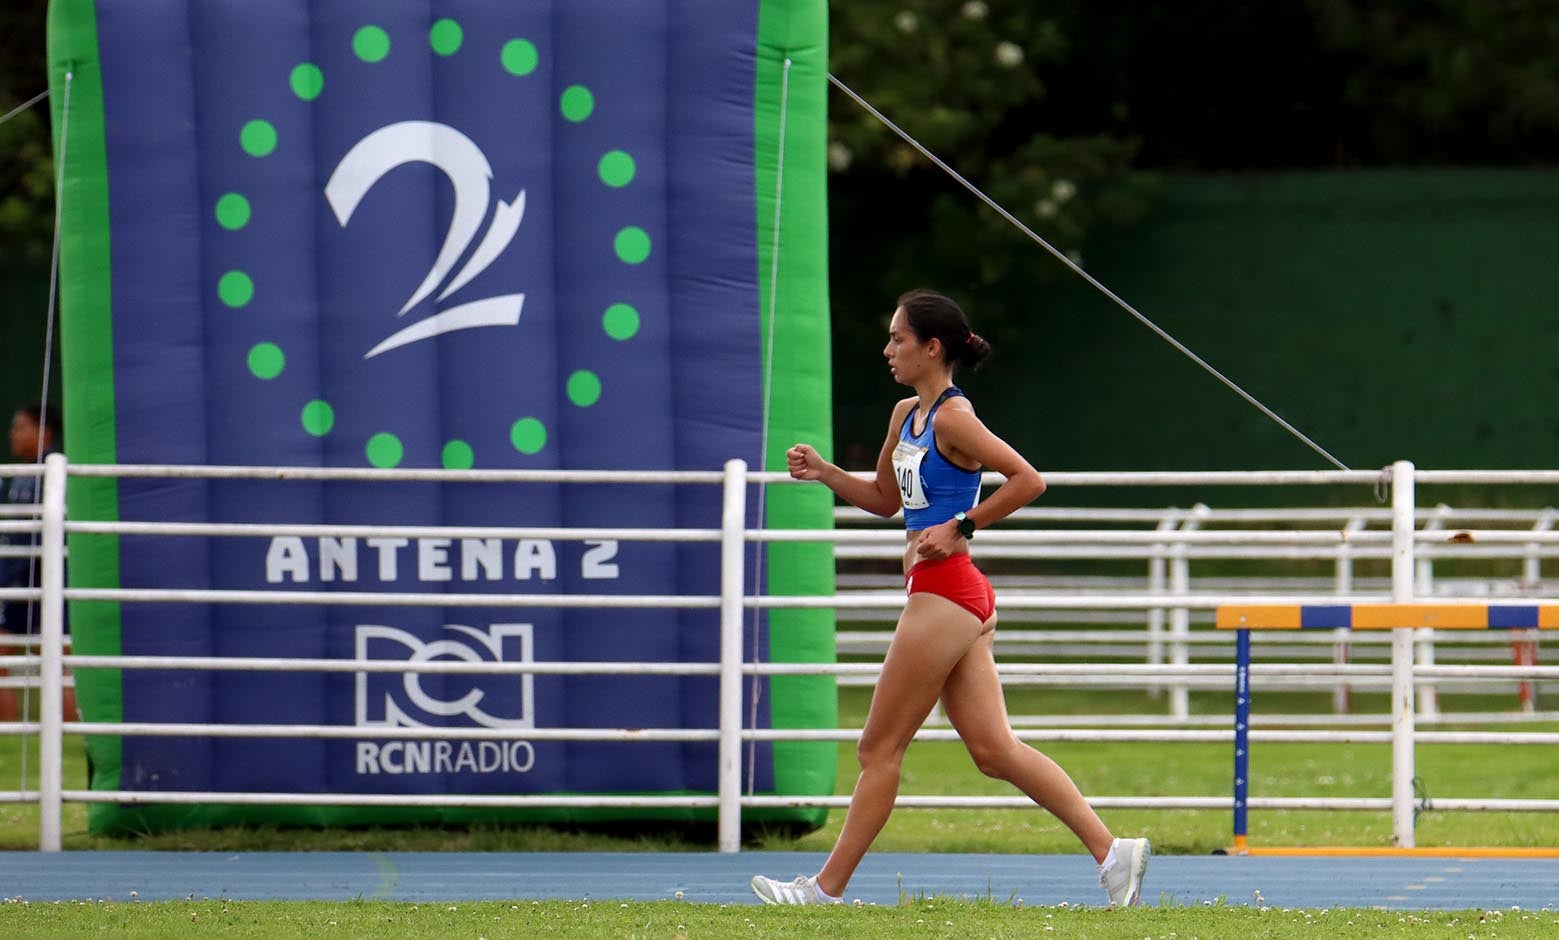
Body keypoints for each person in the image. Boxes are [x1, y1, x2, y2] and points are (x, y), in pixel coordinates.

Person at [750, 290, 1149, 907]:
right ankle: (1113, 853)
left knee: (878, 748)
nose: (887, 350)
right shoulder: (905, 413)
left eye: (897, 340)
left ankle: (823, 891)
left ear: (931, 348)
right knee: (994, 751)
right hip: (949, 595)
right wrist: (827, 472)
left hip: (946, 593)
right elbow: (888, 501)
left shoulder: (954, 419)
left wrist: (965, 525)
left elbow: (1028, 480)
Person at [0, 404, 77, 723]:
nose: (13, 433)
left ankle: (72, 736)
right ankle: (7, 736)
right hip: (19, 581)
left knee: (60, 661)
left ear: (43, 430)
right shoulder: (21, 474)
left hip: (46, 578)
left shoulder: (55, 473)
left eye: (20, 426)